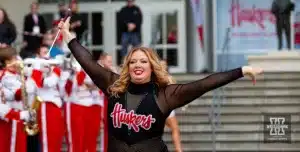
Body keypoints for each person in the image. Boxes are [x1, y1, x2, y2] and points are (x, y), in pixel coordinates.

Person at [58, 17, 263, 152]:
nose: (137, 65)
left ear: (152, 67)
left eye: (143, 61)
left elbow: (203, 85)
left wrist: (241, 71)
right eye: (133, 61)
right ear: (127, 66)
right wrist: (68, 37)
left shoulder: (165, 95)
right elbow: (88, 63)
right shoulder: (114, 87)